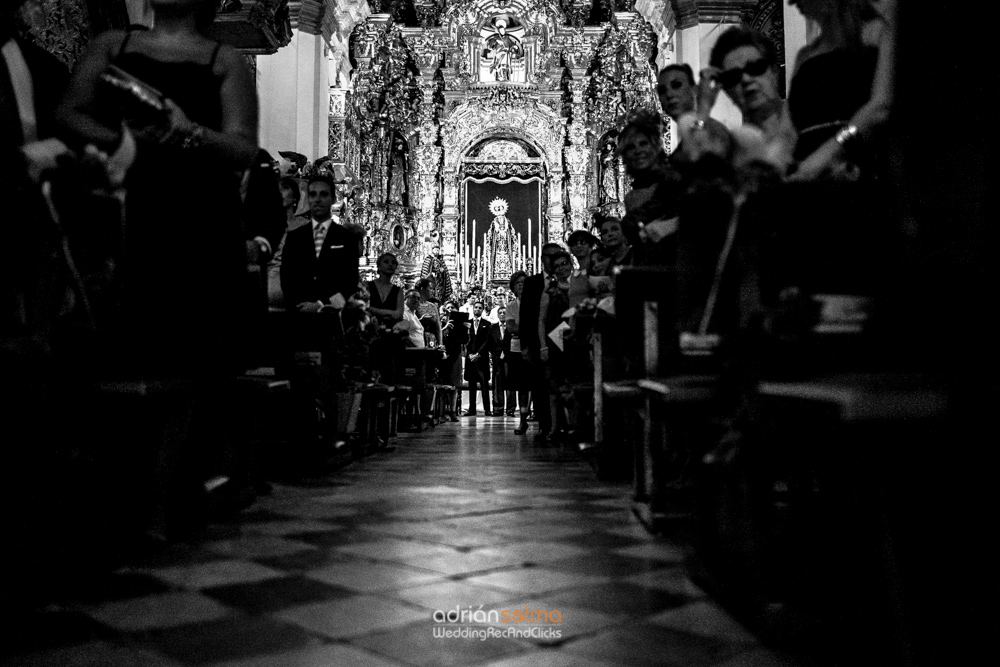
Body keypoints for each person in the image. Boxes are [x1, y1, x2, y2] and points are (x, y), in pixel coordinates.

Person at [56, 0, 260, 535]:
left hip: (201, 217)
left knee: (191, 356)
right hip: (133, 206)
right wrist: (127, 140)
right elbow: (70, 113)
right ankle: (118, 489)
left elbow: (242, 149)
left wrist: (187, 130)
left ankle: (165, 494)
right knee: (127, 344)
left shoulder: (225, 59)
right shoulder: (112, 45)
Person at [704, 27, 797, 173]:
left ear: (774, 71)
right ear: (727, 91)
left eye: (755, 68)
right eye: (734, 76)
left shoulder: (807, 119)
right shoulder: (732, 151)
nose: (746, 79)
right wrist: (704, 107)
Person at [280, 173, 361, 311]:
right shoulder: (295, 237)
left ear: (333, 199)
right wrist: (298, 305)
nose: (317, 199)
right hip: (300, 314)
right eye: (312, 195)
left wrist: (321, 305)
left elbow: (350, 282)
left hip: (332, 316)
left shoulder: (346, 237)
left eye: (323, 194)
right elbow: (287, 278)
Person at [616, 110, 685, 263]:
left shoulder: (675, 181)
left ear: (655, 146)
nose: (638, 151)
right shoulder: (631, 197)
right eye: (631, 147)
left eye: (643, 143)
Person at [519, 242, 562, 439]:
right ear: (542, 258)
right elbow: (525, 315)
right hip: (537, 341)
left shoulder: (565, 278)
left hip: (562, 338)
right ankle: (545, 425)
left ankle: (561, 424)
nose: (551, 260)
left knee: (560, 382)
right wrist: (525, 345)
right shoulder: (532, 282)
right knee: (539, 384)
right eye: (548, 256)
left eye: (556, 256)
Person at [538, 250, 574, 439]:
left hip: (576, 338)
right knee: (554, 386)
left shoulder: (579, 285)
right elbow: (542, 320)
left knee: (573, 383)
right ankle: (554, 426)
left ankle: (573, 425)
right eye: (557, 265)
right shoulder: (550, 290)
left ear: (570, 264)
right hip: (555, 339)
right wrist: (543, 345)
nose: (562, 268)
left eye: (564, 263)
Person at [505, 271, 532, 432]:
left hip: (532, 347)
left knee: (535, 384)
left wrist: (522, 329)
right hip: (517, 349)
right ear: (513, 287)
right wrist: (527, 330)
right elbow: (511, 328)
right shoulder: (511, 306)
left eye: (524, 282)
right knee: (521, 386)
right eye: (517, 283)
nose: (521, 285)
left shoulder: (534, 303)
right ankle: (523, 420)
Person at [463, 300, 492, 416]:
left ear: (482, 310)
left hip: (482, 358)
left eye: (480, 308)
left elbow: (487, 341)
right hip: (470, 358)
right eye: (476, 307)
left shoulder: (487, 324)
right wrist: (470, 354)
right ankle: (472, 409)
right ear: (473, 309)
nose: (477, 310)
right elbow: (466, 340)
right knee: (472, 385)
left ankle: (487, 409)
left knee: (484, 385)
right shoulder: (467, 323)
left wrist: (478, 354)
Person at [567, 229, 599, 307]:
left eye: (583, 243)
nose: (579, 246)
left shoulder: (596, 270)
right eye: (574, 244)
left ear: (590, 246)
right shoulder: (573, 275)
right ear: (571, 249)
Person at [489, 306, 512, 415]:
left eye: (504, 312)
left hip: (509, 358)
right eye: (500, 313)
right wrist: (495, 354)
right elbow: (489, 343)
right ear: (497, 315)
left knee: (510, 383)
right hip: (497, 358)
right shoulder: (492, 328)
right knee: (497, 384)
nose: (502, 314)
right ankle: (498, 408)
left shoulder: (512, 327)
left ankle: (510, 408)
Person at [415, 276, 441, 346]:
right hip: (418, 340)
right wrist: (421, 320)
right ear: (422, 289)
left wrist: (440, 344)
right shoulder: (414, 305)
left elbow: (438, 328)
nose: (432, 291)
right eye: (430, 288)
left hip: (432, 340)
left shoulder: (433, 306)